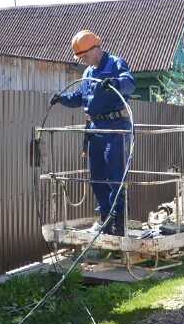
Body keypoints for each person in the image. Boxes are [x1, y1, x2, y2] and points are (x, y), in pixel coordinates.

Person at [50, 30, 136, 236]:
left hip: (116, 127)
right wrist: (62, 99)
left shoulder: (115, 64)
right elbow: (80, 97)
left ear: (95, 48)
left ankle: (119, 222)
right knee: (96, 176)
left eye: (85, 56)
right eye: (80, 58)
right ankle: (105, 217)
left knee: (115, 176)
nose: (83, 60)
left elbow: (129, 84)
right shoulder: (88, 73)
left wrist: (114, 83)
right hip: (95, 129)